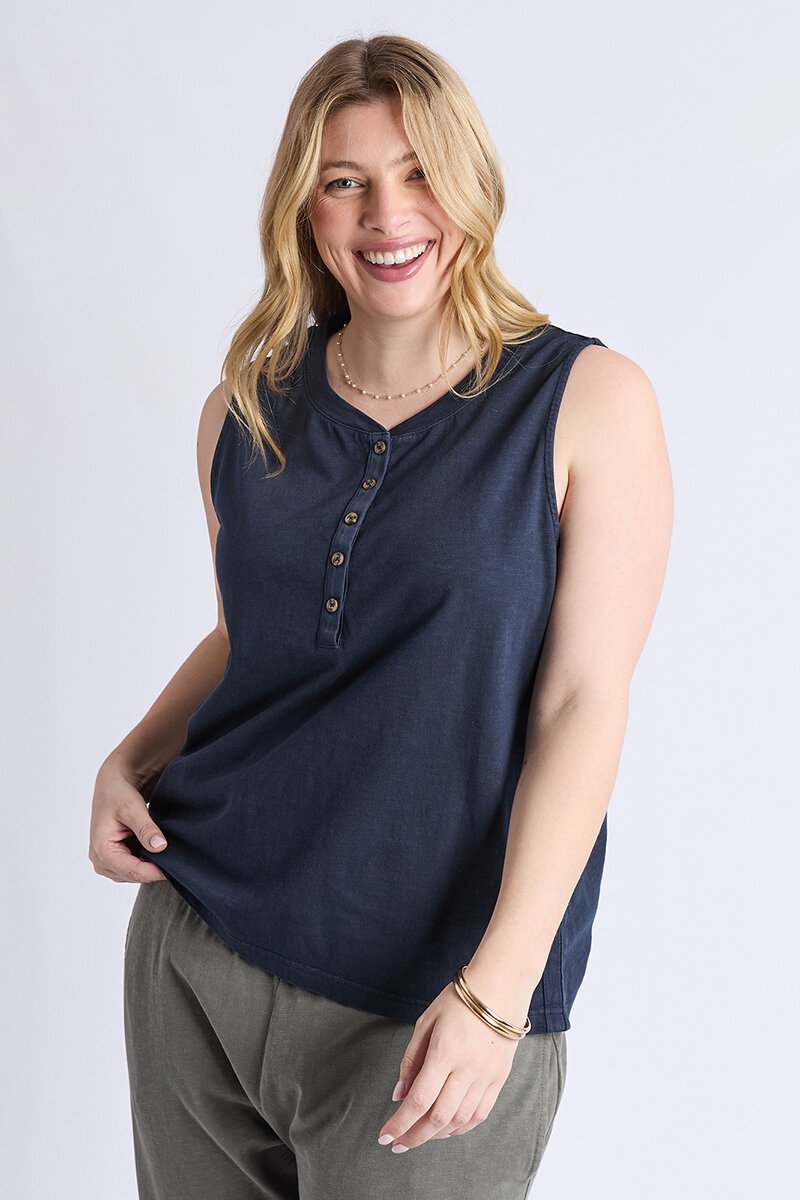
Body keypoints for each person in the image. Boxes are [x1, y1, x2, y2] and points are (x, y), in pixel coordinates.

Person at [89, 33, 673, 1200]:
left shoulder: (585, 403)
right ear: (303, 208)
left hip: (428, 1005)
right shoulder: (244, 410)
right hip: (198, 950)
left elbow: (581, 700)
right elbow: (250, 635)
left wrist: (496, 992)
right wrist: (133, 754)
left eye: (418, 173)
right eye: (344, 180)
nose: (386, 214)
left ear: (470, 184)